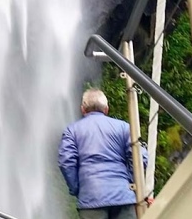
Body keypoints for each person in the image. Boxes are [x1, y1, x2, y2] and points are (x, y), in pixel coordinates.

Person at [58, 88, 148, 219]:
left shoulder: (71, 131)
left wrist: (77, 188)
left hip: (91, 198)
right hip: (123, 196)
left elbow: (66, 162)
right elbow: (141, 157)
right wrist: (128, 181)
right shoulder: (124, 127)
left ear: (83, 109)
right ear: (106, 109)